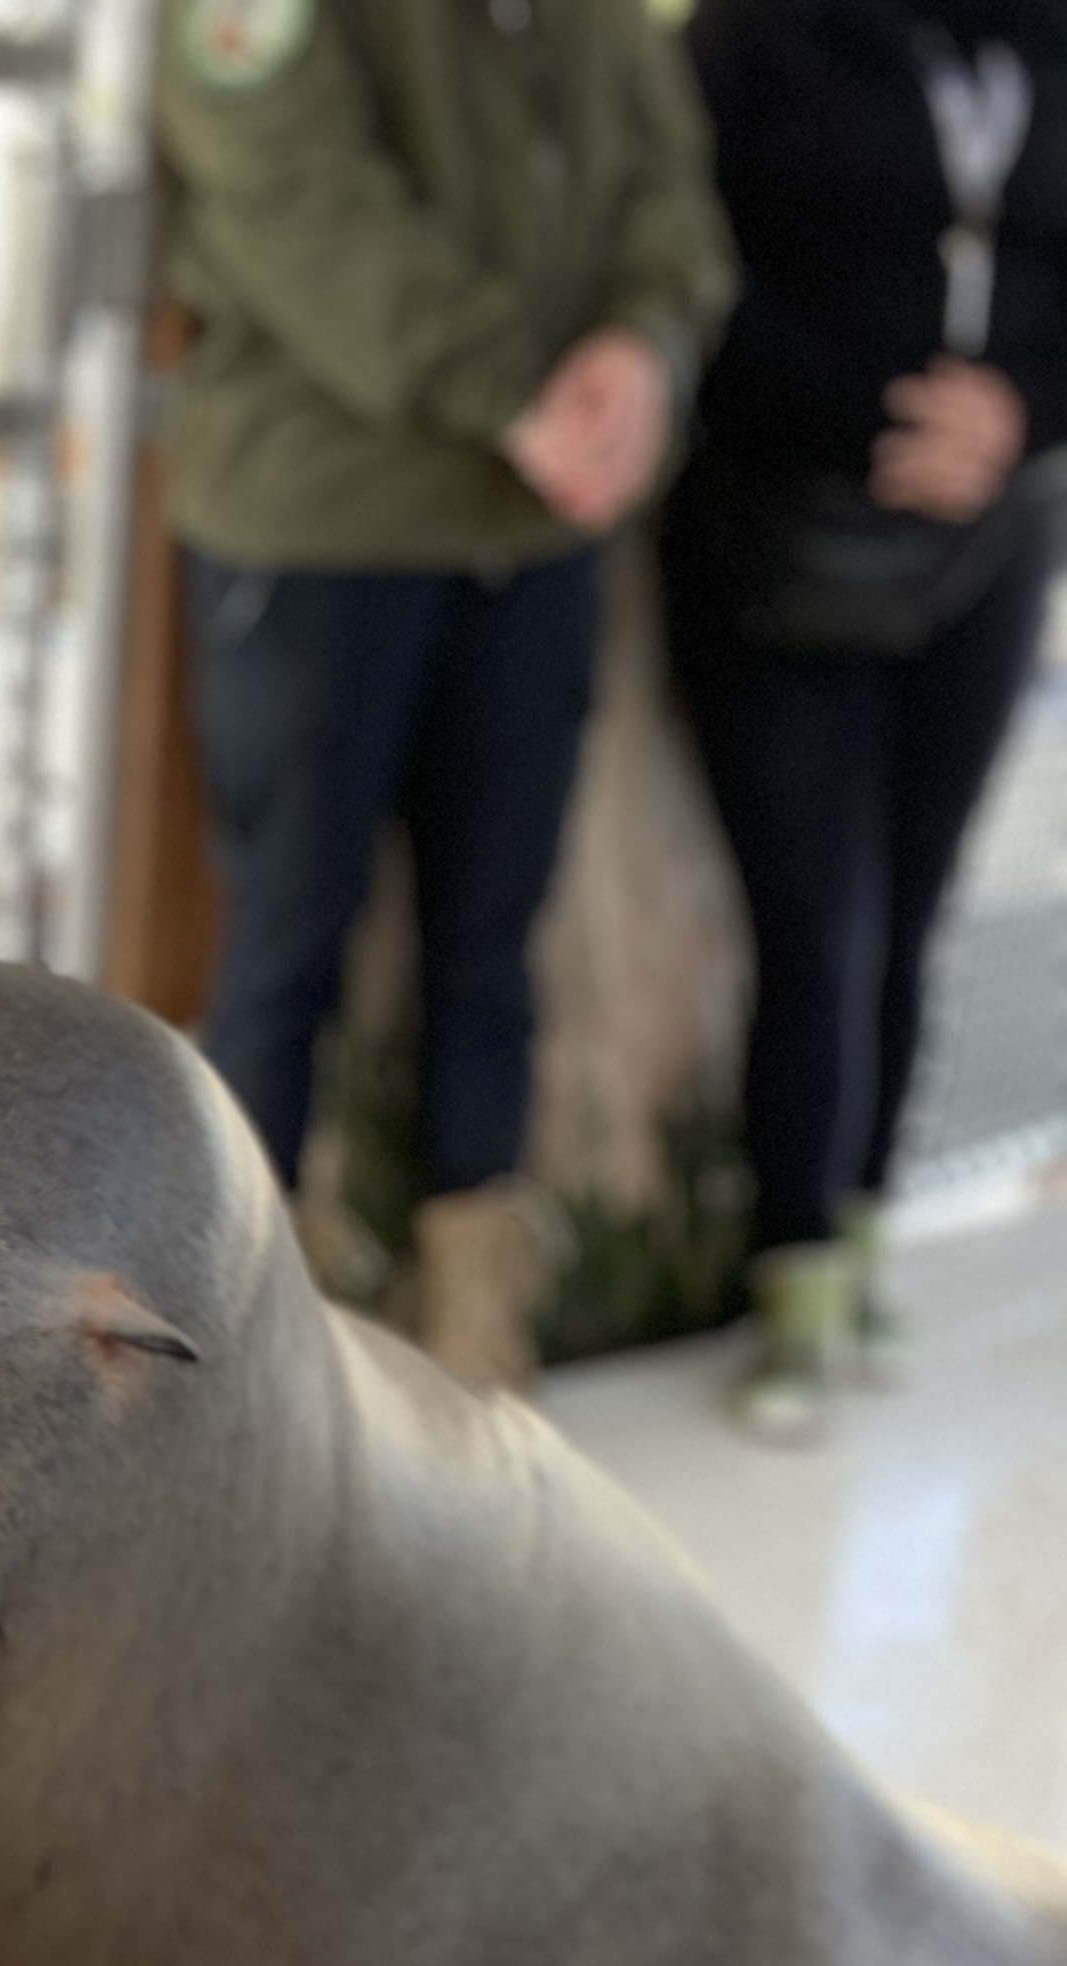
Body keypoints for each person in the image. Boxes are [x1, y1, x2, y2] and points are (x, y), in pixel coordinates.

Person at [156, 0, 733, 1391]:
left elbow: (674, 199)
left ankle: (481, 1328)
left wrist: (643, 353)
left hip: (532, 537)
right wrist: (514, 394)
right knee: (284, 945)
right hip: (321, 527)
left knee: (494, 942)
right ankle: (232, 1353)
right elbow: (293, 196)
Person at [665, 0, 1067, 1437]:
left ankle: (869, 1234)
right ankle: (796, 1282)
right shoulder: (750, 36)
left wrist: (1018, 411)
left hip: (991, 544)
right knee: (811, 921)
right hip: (778, 541)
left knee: (915, 910)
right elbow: (692, 267)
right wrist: (879, 421)